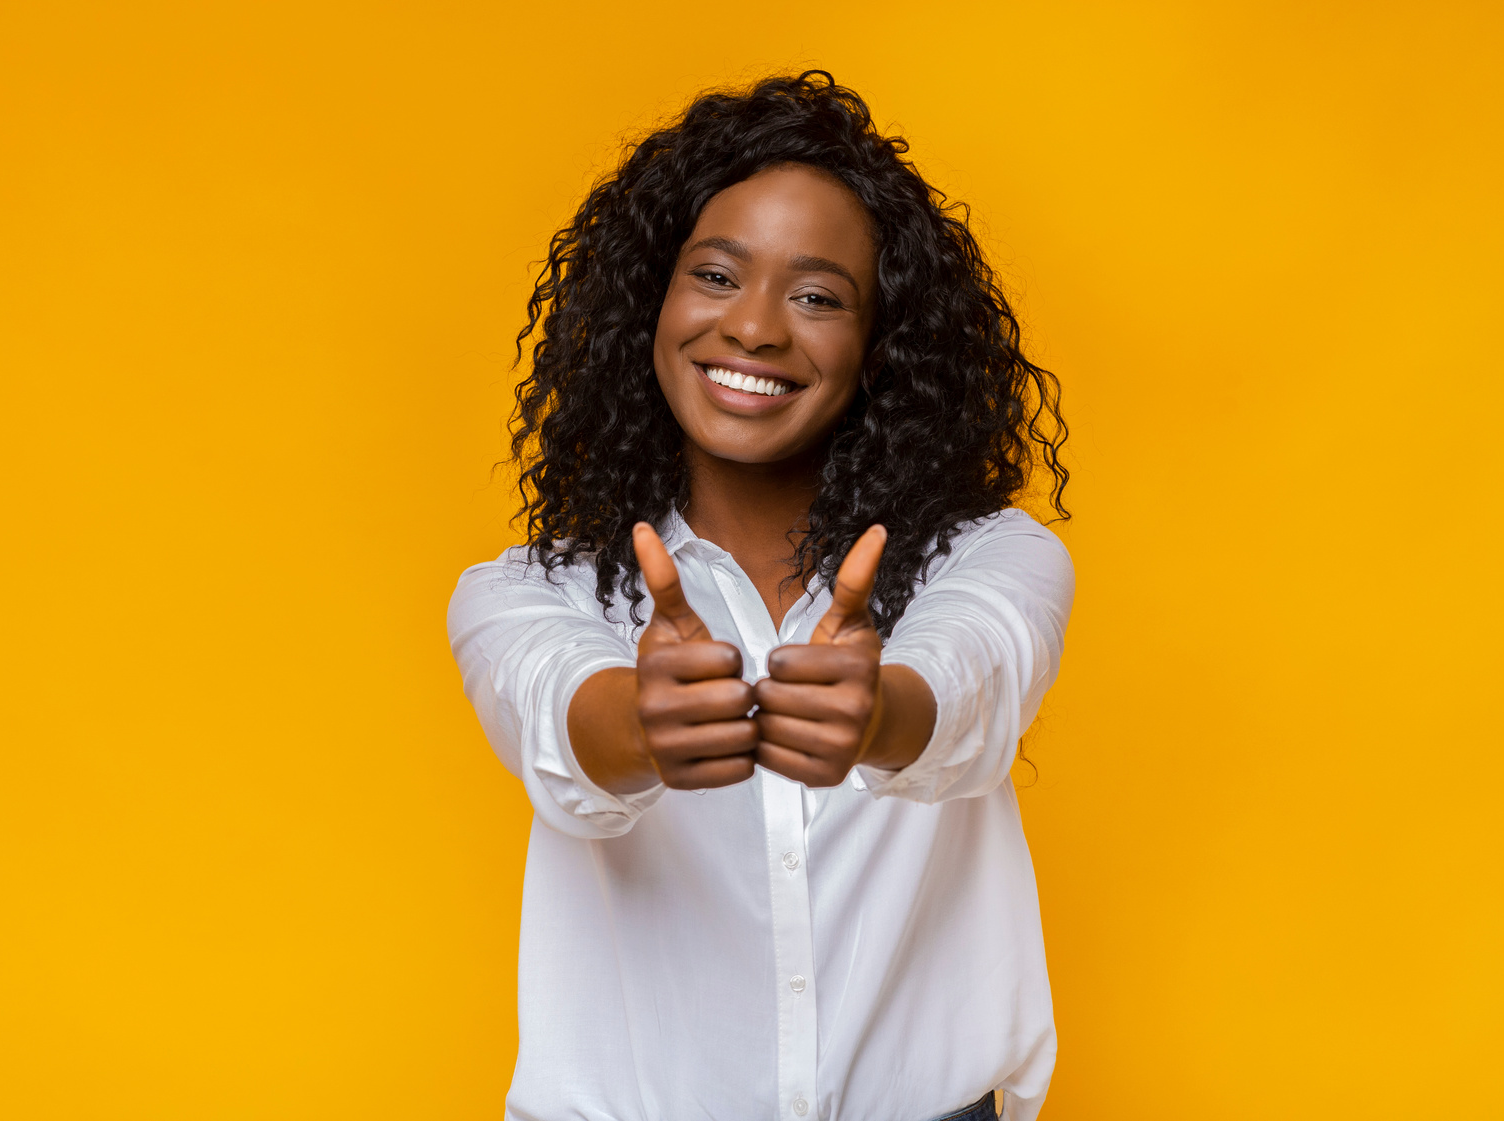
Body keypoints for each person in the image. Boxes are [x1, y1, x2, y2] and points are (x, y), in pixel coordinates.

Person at [448, 71, 1073, 1121]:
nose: (756, 328)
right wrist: (640, 722)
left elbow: (975, 673)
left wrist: (880, 712)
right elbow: (557, 713)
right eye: (717, 275)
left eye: (818, 294)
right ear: (652, 303)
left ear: (882, 346)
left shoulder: (992, 556)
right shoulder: (524, 591)